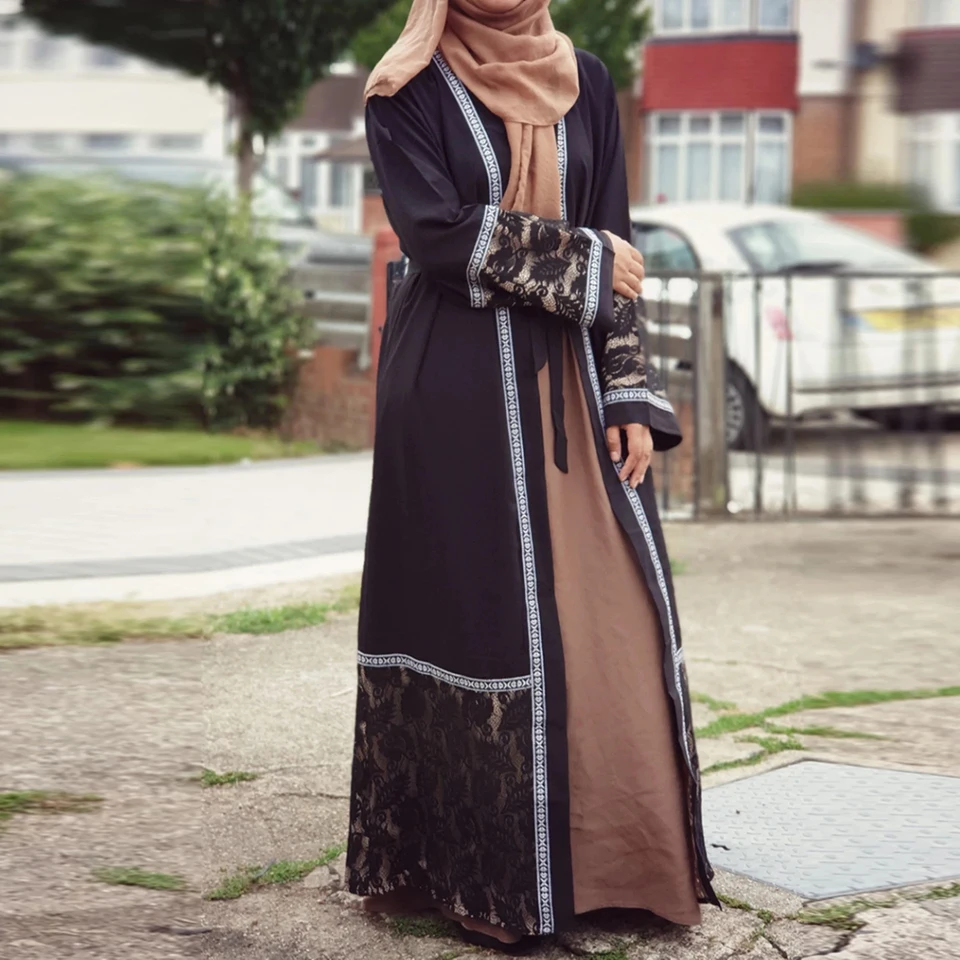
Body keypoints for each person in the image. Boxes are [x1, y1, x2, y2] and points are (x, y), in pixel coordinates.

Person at [346, 0, 717, 950]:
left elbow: (617, 234)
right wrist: (587, 258)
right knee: (483, 620)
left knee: (616, 614)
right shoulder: (405, 87)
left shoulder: (586, 79)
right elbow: (436, 234)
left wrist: (630, 393)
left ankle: (620, 865)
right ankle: (483, 877)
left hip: (576, 385)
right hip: (456, 393)